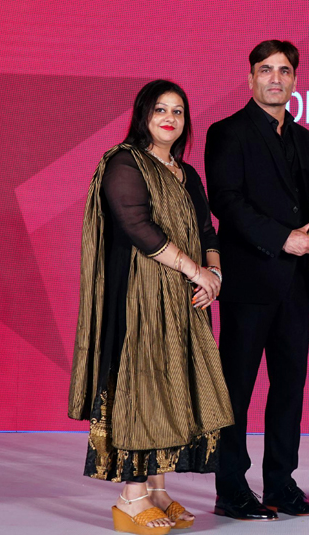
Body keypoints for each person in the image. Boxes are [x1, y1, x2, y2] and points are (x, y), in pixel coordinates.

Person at [68, 79, 233, 534]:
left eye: (178, 111)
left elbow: (207, 231)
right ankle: (131, 496)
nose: (170, 118)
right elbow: (138, 227)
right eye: (161, 109)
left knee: (170, 386)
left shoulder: (186, 172)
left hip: (182, 302)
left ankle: (158, 491)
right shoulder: (124, 162)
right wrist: (195, 271)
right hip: (137, 298)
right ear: (143, 115)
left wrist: (214, 276)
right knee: (142, 389)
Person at [204, 39, 309, 521]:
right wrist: (283, 239)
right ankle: (231, 490)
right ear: (250, 77)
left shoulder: (305, 139)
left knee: (289, 390)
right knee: (235, 391)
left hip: (296, 286)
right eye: (265, 69)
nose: (275, 78)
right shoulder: (227, 132)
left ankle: (281, 485)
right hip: (249, 283)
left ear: (295, 79)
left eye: (284, 70)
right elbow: (227, 202)